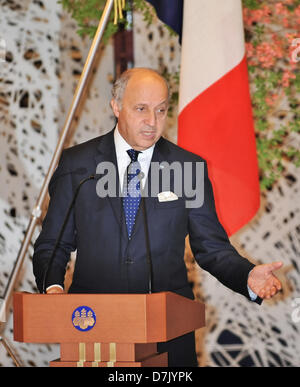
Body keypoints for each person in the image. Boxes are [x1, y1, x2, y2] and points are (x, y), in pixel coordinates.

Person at [33, 67, 283, 367]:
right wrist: (54, 290)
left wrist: (246, 275)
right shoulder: (79, 164)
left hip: (168, 332)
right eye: (141, 109)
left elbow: (212, 250)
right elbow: (52, 244)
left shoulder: (188, 167)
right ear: (116, 106)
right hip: (93, 325)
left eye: (161, 110)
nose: (152, 122)